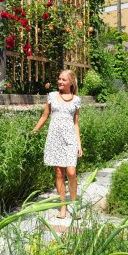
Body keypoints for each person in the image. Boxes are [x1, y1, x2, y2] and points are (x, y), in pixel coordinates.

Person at [32, 70, 83, 219]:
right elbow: (45, 116)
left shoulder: (76, 100)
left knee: (71, 172)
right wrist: (34, 130)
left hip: (70, 139)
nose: (60, 82)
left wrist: (79, 144)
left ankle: (74, 205)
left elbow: (76, 123)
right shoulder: (52, 96)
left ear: (71, 82)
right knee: (59, 173)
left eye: (63, 80)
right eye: (59, 79)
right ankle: (63, 207)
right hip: (55, 139)